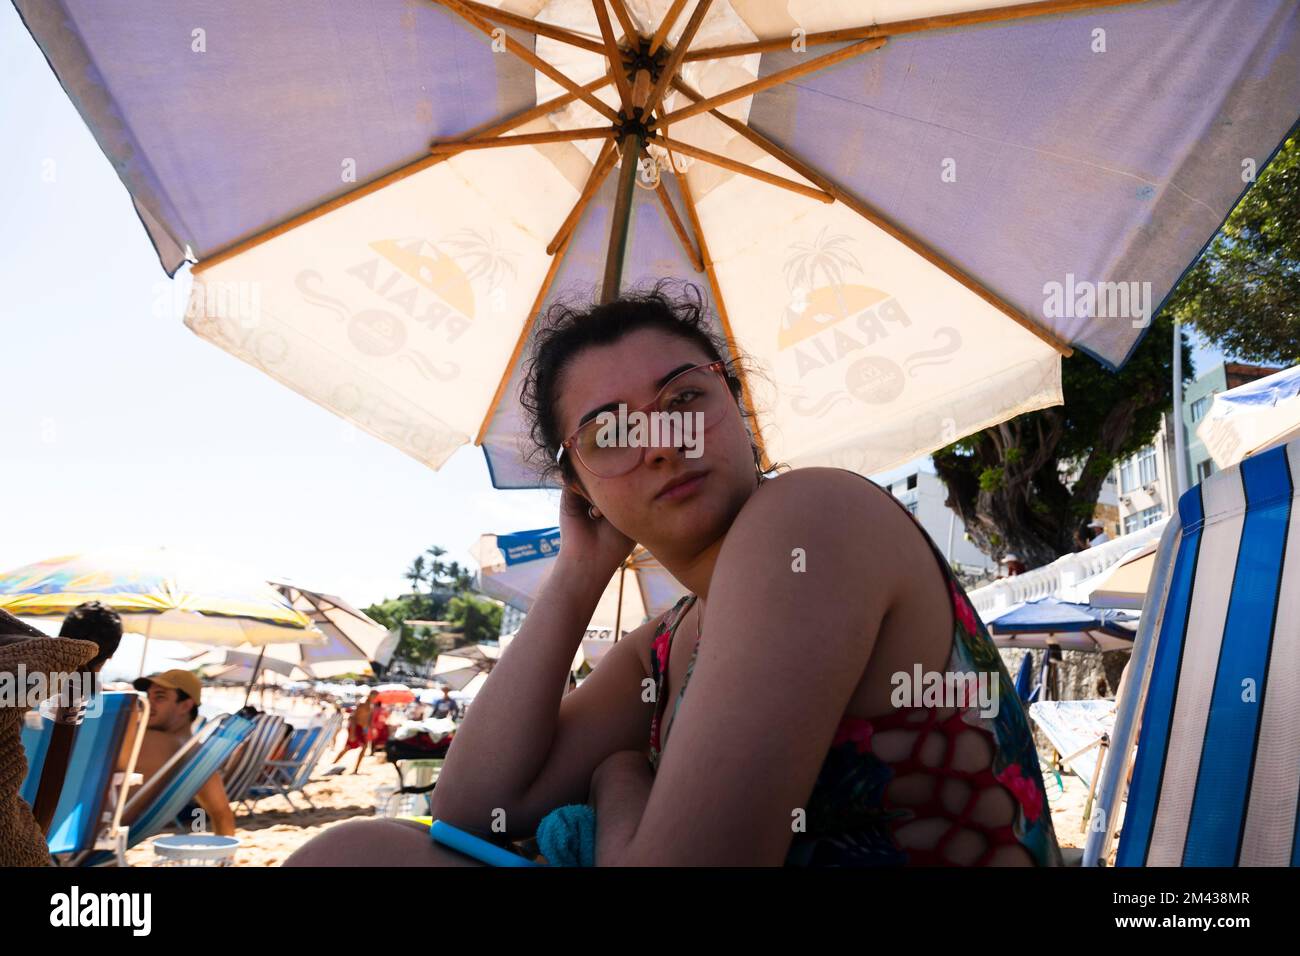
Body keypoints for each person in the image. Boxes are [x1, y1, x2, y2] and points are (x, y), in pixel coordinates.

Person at [286, 281, 1061, 867]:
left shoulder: (813, 518)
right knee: (354, 854)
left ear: (740, 408)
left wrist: (622, 777)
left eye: (685, 398)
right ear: (579, 489)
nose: (661, 442)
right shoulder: (669, 638)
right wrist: (578, 575)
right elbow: (475, 807)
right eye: (611, 433)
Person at [122, 670, 236, 836]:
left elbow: (221, 815)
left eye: (159, 697)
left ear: (185, 706)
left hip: (89, 830)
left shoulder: (138, 735)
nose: (148, 703)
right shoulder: (197, 757)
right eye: (148, 696)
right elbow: (222, 815)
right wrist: (224, 860)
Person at [331, 691, 375, 774]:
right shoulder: (362, 703)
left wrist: (369, 729)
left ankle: (355, 769)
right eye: (374, 695)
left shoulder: (371, 705)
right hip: (355, 728)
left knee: (362, 747)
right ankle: (333, 764)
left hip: (362, 729)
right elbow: (353, 717)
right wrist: (352, 733)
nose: (375, 697)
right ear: (370, 695)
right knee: (348, 747)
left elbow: (368, 719)